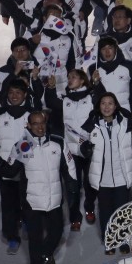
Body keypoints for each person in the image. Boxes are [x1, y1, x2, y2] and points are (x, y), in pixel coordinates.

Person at [8, 111, 74, 264]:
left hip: (54, 198)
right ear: (28, 126)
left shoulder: (58, 142)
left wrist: (72, 185)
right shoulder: (22, 145)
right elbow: (10, 171)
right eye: (35, 124)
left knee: (57, 232)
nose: (39, 127)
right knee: (35, 237)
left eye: (42, 123)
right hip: (32, 200)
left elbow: (69, 166)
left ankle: (46, 253)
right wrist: (3, 165)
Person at [0, 81, 35, 255]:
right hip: (6, 167)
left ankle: (27, 224)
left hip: (28, 168)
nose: (14, 95)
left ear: (25, 95)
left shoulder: (33, 114)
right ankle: (12, 237)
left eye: (18, 92)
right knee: (9, 204)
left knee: (29, 201)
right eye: (11, 92)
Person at [80, 93, 132, 252]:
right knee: (105, 210)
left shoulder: (127, 123)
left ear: (116, 106)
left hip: (122, 176)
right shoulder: (92, 125)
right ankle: (110, 240)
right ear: (99, 106)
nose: (106, 107)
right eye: (103, 103)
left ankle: (124, 239)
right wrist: (85, 149)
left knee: (122, 211)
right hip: (101, 177)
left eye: (110, 103)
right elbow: (82, 145)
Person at [44, 69, 94, 231]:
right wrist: (50, 88)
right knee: (73, 186)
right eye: (68, 77)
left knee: (90, 183)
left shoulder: (91, 97)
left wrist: (98, 83)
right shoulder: (65, 100)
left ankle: (90, 208)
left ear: (82, 81)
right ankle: (75, 217)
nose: (70, 79)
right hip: (70, 151)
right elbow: (51, 103)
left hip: (88, 148)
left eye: (74, 77)